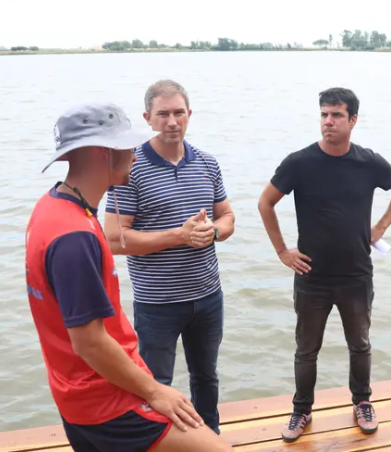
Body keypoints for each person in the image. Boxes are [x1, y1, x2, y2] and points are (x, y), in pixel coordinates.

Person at [24, 102, 232, 452]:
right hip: (108, 399)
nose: (135, 155)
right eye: (127, 146)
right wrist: (155, 391)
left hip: (75, 392)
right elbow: (89, 342)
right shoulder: (74, 235)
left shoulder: (52, 207)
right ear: (103, 153)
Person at [258, 87, 391, 442]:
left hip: (357, 274)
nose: (328, 122)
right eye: (324, 115)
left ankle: (362, 402)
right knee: (306, 349)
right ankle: (301, 411)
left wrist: (381, 227)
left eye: (337, 115)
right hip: (311, 275)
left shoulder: (368, 162)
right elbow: (265, 203)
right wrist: (283, 251)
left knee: (360, 344)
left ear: (353, 120)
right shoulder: (299, 162)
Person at [104, 80, 235, 434]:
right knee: (154, 383)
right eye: (163, 114)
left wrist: (215, 232)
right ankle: (154, 441)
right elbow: (114, 239)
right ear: (147, 118)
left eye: (179, 113)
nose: (172, 122)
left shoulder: (207, 163)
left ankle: (210, 437)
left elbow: (228, 217)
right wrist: (178, 235)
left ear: (189, 115)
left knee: (206, 377)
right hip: (157, 303)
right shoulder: (130, 168)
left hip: (208, 298)